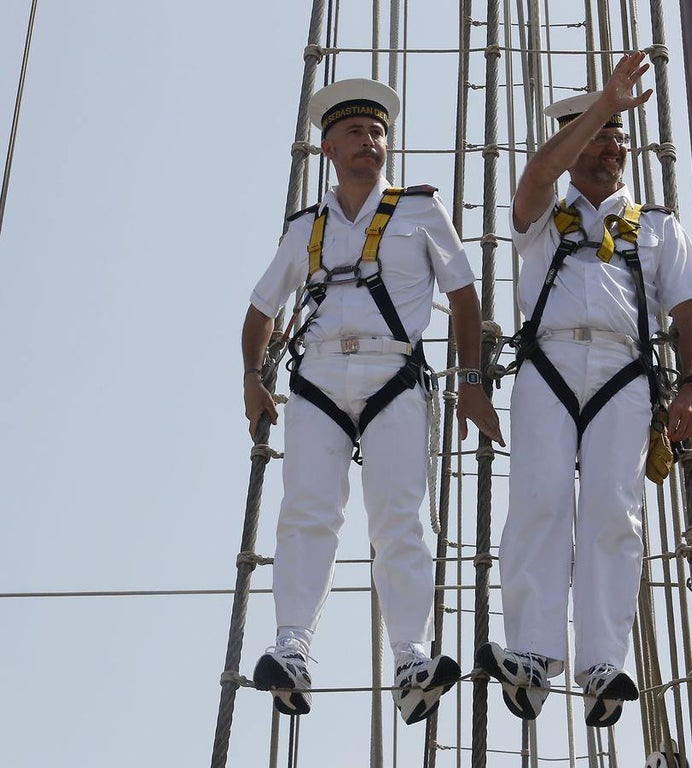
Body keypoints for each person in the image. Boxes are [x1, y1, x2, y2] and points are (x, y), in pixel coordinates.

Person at [241, 78, 505, 724]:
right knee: (307, 512)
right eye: (356, 133)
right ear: (329, 147)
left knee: (401, 520)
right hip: (318, 381)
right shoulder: (308, 226)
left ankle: (413, 658)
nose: (370, 141)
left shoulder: (419, 212)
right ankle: (292, 648)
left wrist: (470, 383)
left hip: (394, 375)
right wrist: (252, 379)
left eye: (378, 132)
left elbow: (465, 299)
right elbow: (260, 308)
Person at [476, 52, 692, 728]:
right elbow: (534, 177)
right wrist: (600, 107)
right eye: (597, 136)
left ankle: (603, 663)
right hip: (548, 366)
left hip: (625, 373)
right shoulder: (542, 219)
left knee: (615, 513)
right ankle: (530, 651)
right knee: (538, 501)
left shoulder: (658, 226)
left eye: (617, 138)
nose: (609, 148)